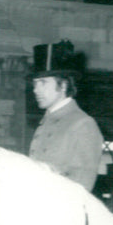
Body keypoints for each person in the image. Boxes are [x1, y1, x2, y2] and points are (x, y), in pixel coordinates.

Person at [28, 39, 104, 191]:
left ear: (63, 85)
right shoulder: (46, 122)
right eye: (35, 83)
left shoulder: (83, 124)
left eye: (43, 82)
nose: (36, 90)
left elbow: (81, 186)